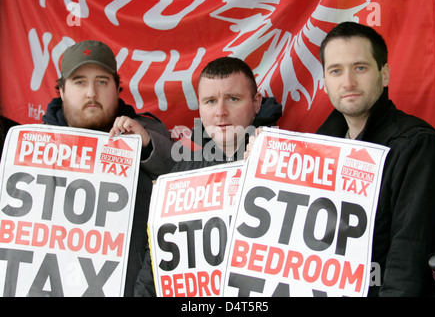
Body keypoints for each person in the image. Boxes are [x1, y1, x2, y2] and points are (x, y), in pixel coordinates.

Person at [316, 22, 435, 296]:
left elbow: (408, 261)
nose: (348, 82)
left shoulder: (417, 145)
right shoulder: (318, 146)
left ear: (384, 74)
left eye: (360, 68)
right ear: (325, 81)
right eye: (336, 71)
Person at [134, 56, 282, 296]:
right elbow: (156, 266)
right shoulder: (180, 174)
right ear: (200, 107)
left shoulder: (285, 168)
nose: (220, 113)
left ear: (256, 103)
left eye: (233, 99)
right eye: (210, 101)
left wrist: (268, 171)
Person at [41, 40, 173, 296]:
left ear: (117, 89)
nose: (91, 92)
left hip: (127, 285)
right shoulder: (32, 145)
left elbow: (181, 178)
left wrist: (145, 145)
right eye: (80, 82)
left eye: (102, 81)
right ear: (61, 90)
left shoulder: (147, 132)